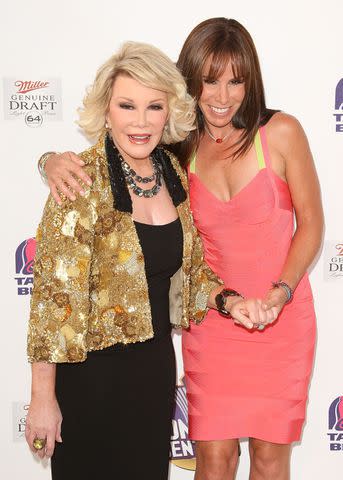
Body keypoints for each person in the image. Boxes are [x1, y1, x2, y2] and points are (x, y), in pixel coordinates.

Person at [37, 18, 323, 480]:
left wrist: (280, 292)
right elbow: (113, 150)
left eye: (236, 80)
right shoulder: (180, 150)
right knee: (213, 461)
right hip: (209, 324)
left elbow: (312, 224)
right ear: (190, 84)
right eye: (210, 80)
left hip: (279, 319)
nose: (223, 96)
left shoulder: (279, 134)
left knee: (271, 463)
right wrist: (48, 161)